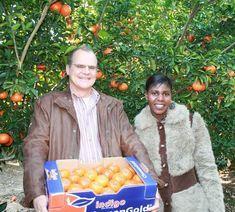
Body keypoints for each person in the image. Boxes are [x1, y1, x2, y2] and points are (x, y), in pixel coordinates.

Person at [23, 45, 161, 212]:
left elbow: (133, 143)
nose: (86, 72)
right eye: (80, 66)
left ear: (97, 72)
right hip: (69, 193)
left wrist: (151, 185)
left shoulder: (112, 106)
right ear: (68, 69)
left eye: (91, 67)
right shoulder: (48, 104)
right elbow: (35, 147)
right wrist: (37, 193)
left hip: (109, 192)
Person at [134, 73, 225, 212]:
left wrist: (217, 207)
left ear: (171, 96)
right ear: (146, 95)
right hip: (154, 206)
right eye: (154, 93)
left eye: (166, 94)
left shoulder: (191, 121)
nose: (160, 98)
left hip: (191, 205)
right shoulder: (138, 130)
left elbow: (207, 168)